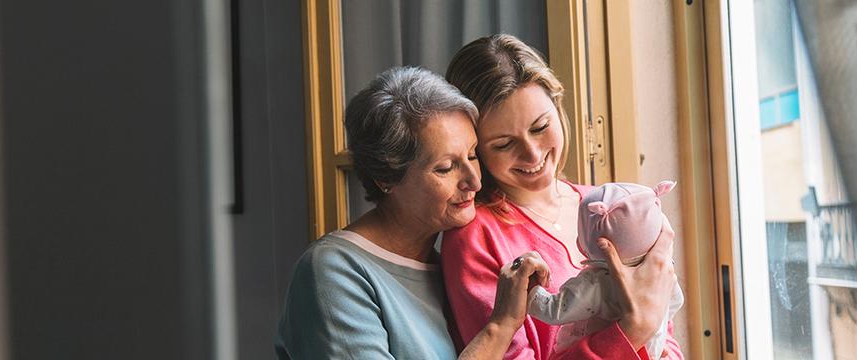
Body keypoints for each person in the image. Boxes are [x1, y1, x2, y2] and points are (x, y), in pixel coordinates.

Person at [274, 66, 552, 359]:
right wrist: (501, 326)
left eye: (472, 155)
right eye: (445, 168)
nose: (474, 181)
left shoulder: (446, 263)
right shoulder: (332, 273)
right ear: (386, 178)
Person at [441, 34, 685, 359]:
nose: (532, 154)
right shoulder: (476, 239)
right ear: (475, 150)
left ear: (558, 106)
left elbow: (663, 330)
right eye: (503, 144)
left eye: (540, 127)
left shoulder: (609, 208)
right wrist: (628, 332)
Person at [527, 181, 685, 357]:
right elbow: (676, 303)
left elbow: (554, 311)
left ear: (585, 244)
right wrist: (656, 333)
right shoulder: (660, 275)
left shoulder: (596, 283)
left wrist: (530, 292)